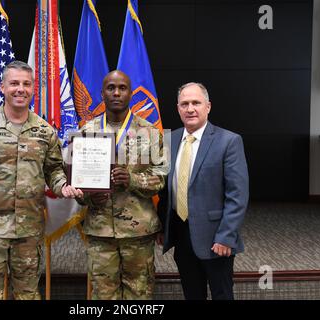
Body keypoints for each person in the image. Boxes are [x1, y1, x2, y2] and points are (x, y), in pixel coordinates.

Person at [0, 60, 82, 300]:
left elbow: (53, 170)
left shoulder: (44, 131)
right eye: (14, 83)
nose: (20, 89)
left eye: (26, 84)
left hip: (28, 231)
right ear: (2, 87)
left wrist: (63, 186)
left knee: (28, 294)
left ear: (33, 88)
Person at [76, 70, 168, 299]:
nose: (116, 93)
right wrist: (88, 196)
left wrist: (132, 180)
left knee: (139, 294)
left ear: (130, 93)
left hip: (138, 233)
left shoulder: (152, 133)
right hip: (100, 231)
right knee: (103, 295)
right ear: (102, 93)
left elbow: (162, 179)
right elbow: (76, 184)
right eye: (111, 88)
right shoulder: (85, 134)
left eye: (122, 88)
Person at [157, 82, 249, 300]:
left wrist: (227, 236)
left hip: (216, 238)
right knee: (192, 294)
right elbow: (164, 190)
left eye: (196, 103)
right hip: (181, 234)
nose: (190, 109)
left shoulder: (229, 141)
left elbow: (237, 195)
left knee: (221, 294)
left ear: (208, 106)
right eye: (184, 104)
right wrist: (162, 226)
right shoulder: (169, 140)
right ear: (178, 108)